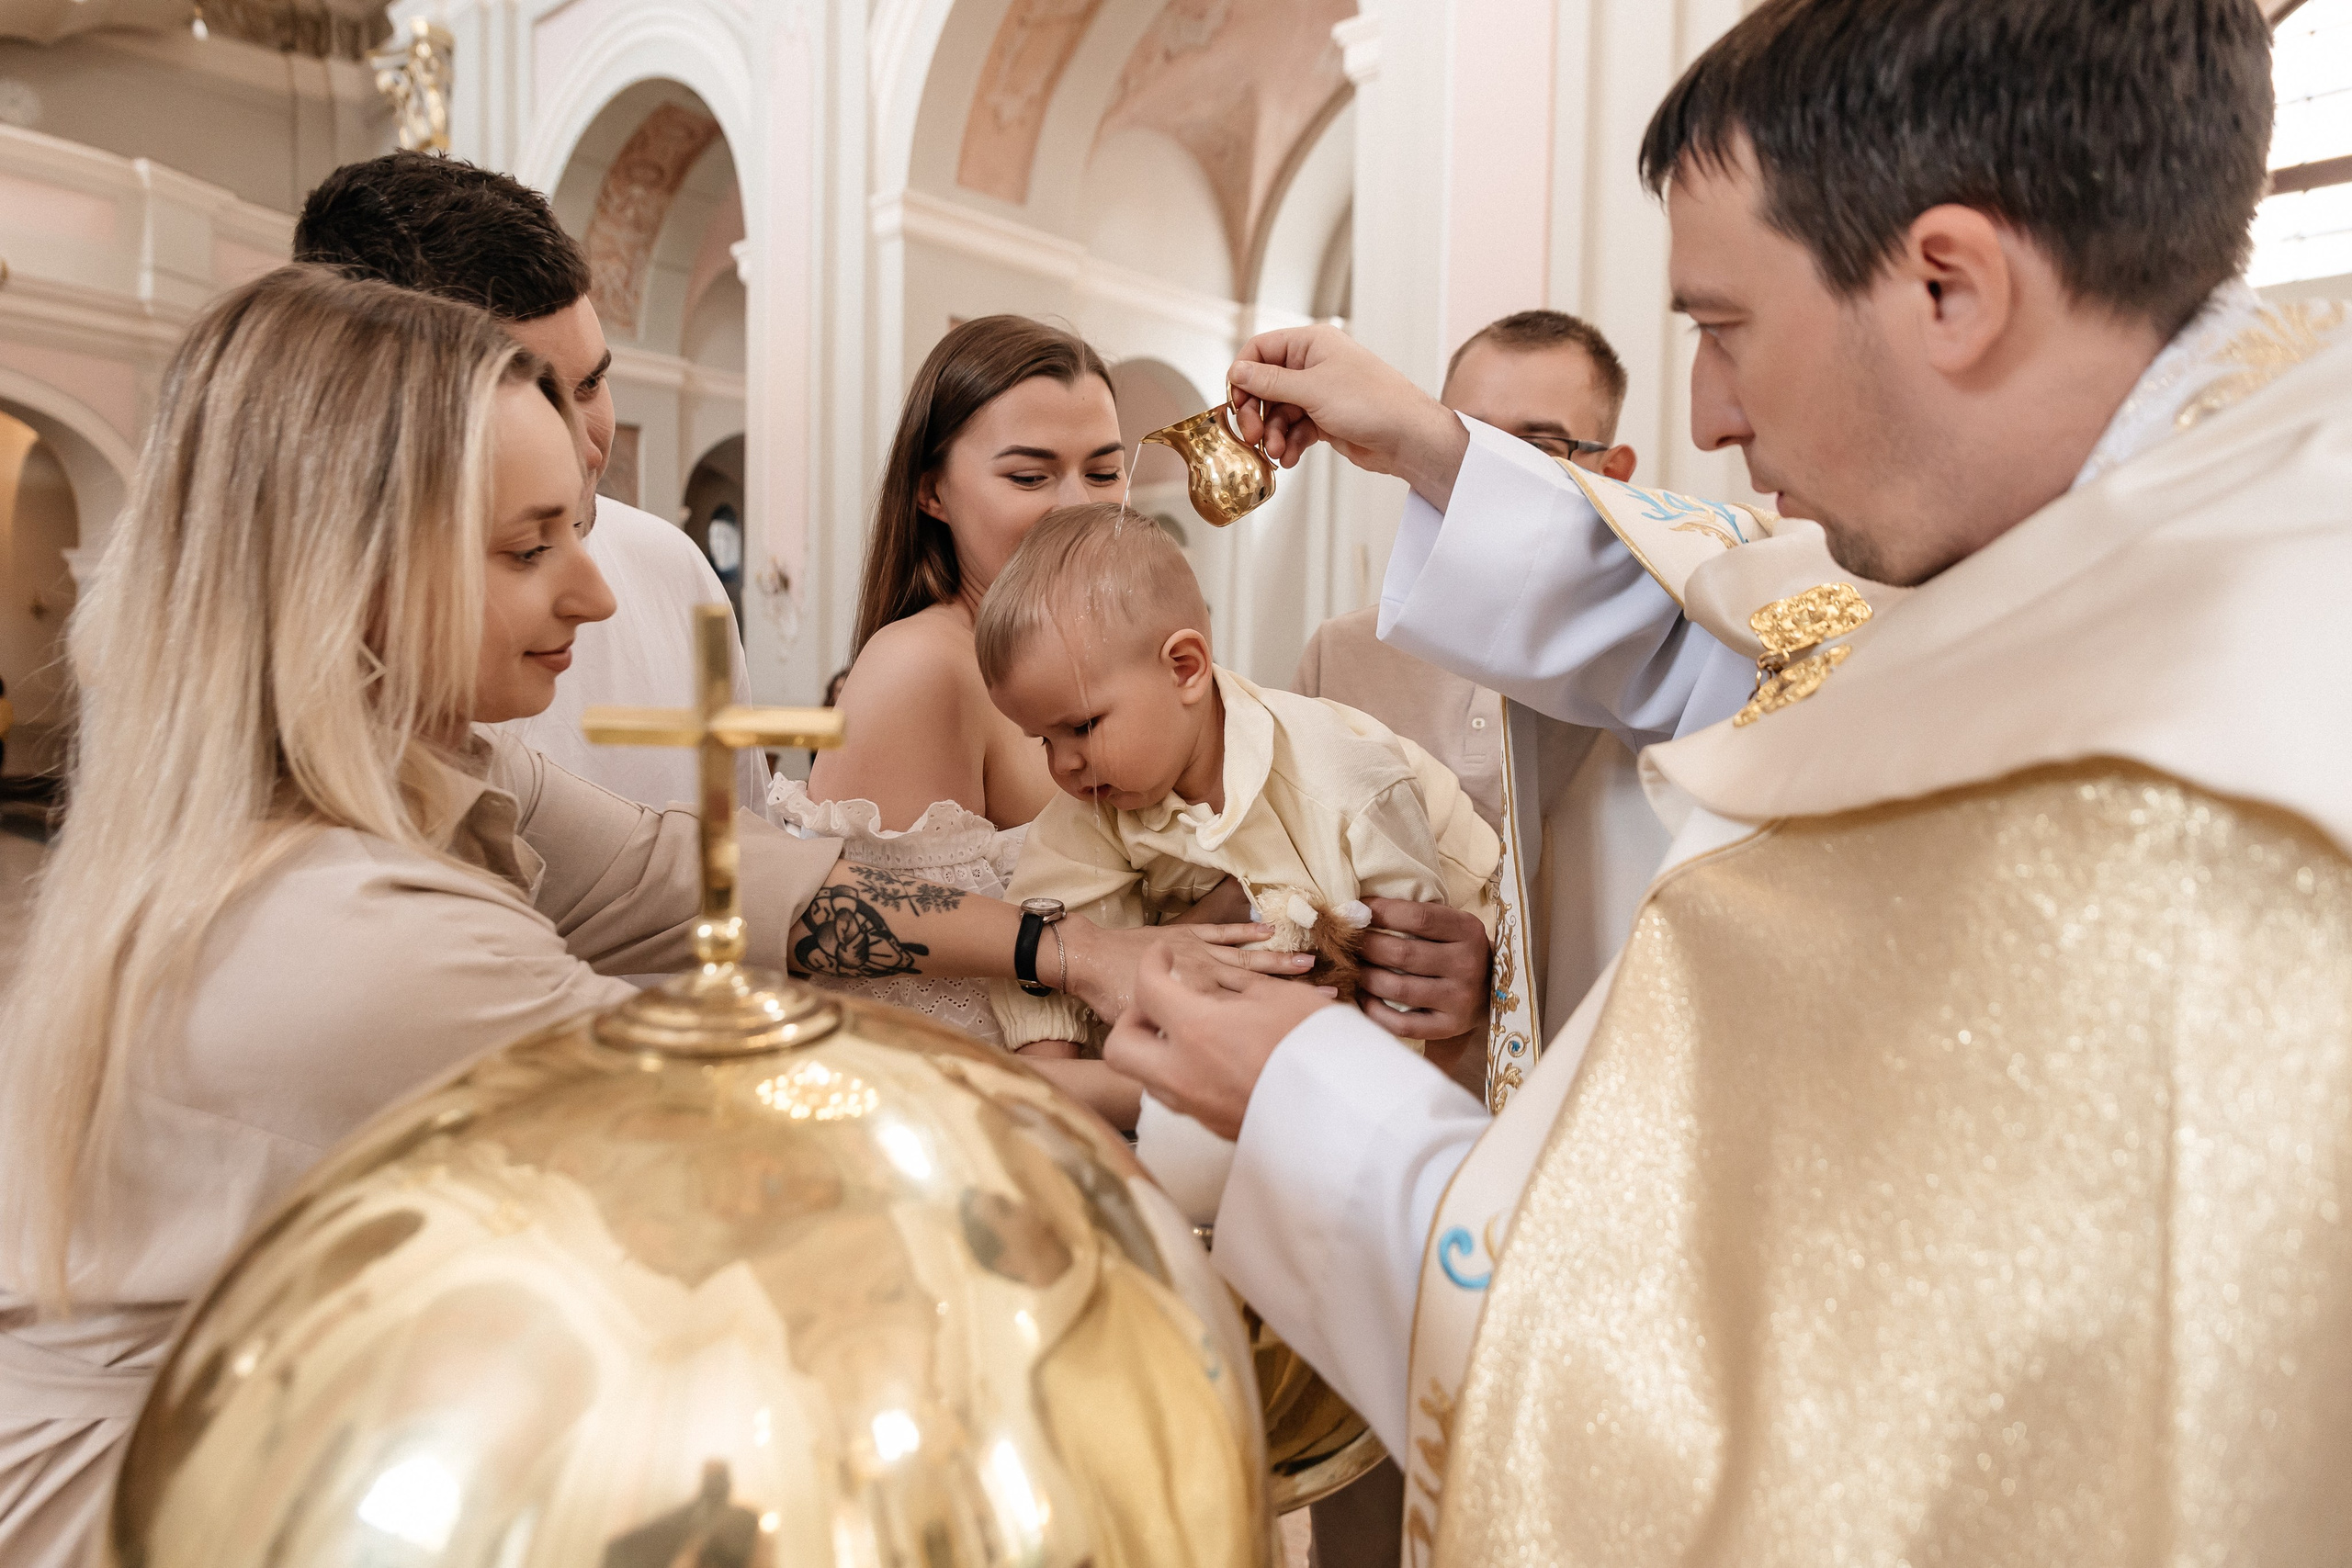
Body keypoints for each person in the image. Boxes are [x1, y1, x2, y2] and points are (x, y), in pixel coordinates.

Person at [1109, 1, 2352, 1561]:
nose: (1707, 414)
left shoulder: (2157, 819)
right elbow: (1762, 628)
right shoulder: (2210, 499)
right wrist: (1436, 445)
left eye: (1724, 326)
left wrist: (1306, 1104)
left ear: (1950, 286)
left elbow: (1741, 1452)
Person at [0, 269, 1291, 1567]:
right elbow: (757, 1143)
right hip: (166, 1482)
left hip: (323, 1396)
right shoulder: (353, 933)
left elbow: (703, 876)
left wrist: (1069, 946)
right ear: (352, 579)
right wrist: (1176, 1096)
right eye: (528, 548)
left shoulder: (431, 755)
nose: (597, 595)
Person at [782, 316, 1494, 1052]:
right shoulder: (921, 668)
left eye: (1102, 471)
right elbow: (892, 999)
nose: (1078, 506)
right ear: (931, 491)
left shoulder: (1126, 654)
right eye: (1029, 475)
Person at [975, 502, 1500, 1168]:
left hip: (1448, 961)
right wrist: (1047, 1077)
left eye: (1080, 727)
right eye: (1042, 739)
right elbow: (1049, 920)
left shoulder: (1343, 786)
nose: (1063, 764)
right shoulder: (1095, 801)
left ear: (1186, 668)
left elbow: (1407, 961)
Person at [293, 150, 769, 813]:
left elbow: (731, 856)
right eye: (538, 398)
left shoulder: (673, 570)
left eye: (592, 383)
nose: (585, 450)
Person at [1291, 310, 1673, 1082]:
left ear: (1615, 470)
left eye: (1532, 449)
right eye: (1463, 440)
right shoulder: (1344, 651)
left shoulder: (1658, 667)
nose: (1484, 481)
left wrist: (1499, 980)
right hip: (1371, 1098)